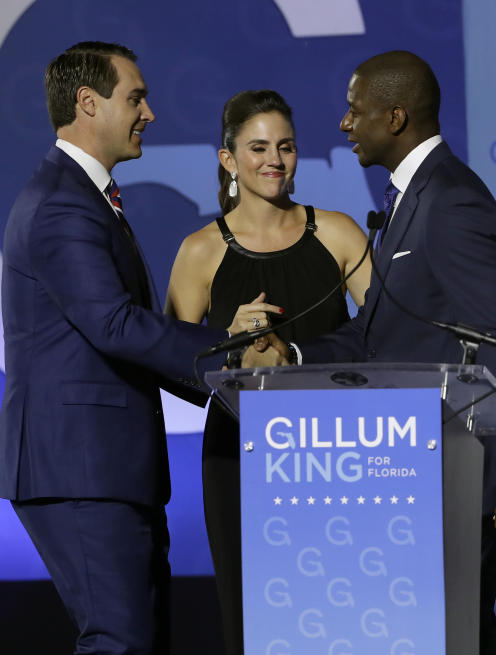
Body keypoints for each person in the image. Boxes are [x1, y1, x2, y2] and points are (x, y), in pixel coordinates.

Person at [247, 51, 496, 654]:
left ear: (396, 116)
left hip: (453, 469)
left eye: (354, 111)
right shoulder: (409, 200)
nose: (343, 124)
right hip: (412, 471)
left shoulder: (453, 201)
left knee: (458, 633)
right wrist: (291, 353)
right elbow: (374, 335)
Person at [0, 42, 260, 655]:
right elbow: (115, 325)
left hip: (107, 468)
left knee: (137, 641)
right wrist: (231, 355)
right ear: (88, 103)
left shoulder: (84, 197)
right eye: (135, 98)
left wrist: (230, 373)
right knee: (120, 643)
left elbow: (125, 334)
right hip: (83, 468)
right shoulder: (63, 203)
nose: (149, 114)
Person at [164, 89, 371, 655]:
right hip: (240, 456)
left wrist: (298, 356)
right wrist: (228, 345)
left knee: (344, 613)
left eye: (286, 146)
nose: (273, 160)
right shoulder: (200, 251)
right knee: (253, 621)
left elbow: (388, 341)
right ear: (228, 159)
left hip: (335, 451)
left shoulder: (340, 234)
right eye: (257, 148)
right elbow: (175, 372)